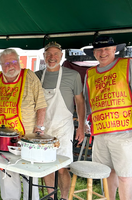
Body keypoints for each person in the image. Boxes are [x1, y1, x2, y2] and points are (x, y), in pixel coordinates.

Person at [0, 49, 47, 200]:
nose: (10, 66)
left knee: (29, 175)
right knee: (7, 173)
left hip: (26, 138)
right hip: (2, 139)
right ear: (0, 66)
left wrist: (39, 129)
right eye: (6, 64)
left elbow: (41, 105)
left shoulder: (29, 77)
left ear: (19, 61)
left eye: (14, 62)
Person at [83, 36, 132, 200]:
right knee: (106, 172)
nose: (102, 53)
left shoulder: (127, 65)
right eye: (98, 50)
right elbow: (86, 102)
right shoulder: (90, 74)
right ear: (94, 53)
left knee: (124, 175)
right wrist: (83, 122)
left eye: (106, 49)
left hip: (123, 132)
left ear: (114, 49)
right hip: (101, 133)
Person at [35, 41, 85, 200]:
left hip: (63, 130)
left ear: (61, 56)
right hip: (43, 129)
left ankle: (64, 197)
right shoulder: (36, 76)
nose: (52, 57)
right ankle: (51, 197)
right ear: (44, 56)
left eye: (56, 54)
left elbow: (80, 101)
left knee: (63, 168)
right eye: (48, 54)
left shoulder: (73, 75)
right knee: (46, 166)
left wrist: (81, 127)